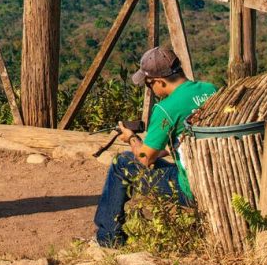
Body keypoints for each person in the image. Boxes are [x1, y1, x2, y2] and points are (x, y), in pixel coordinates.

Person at [93, 46, 216, 247]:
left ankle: (108, 238)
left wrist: (132, 138)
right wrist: (164, 150)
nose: (150, 89)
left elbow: (144, 158)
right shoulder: (210, 89)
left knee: (122, 162)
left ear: (159, 81)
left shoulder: (165, 109)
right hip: (216, 176)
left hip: (191, 188)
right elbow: (190, 139)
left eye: (148, 85)